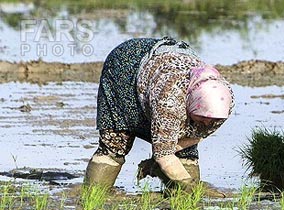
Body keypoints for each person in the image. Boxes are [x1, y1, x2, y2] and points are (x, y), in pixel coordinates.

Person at [83, 36, 234, 197]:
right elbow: (164, 154)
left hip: (167, 65)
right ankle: (94, 195)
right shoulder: (170, 101)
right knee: (116, 142)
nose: (207, 123)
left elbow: (197, 135)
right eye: (202, 118)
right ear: (190, 105)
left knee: (186, 152)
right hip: (127, 68)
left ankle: (175, 192)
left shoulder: (223, 102)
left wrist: (159, 158)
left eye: (213, 121)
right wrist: (191, 187)